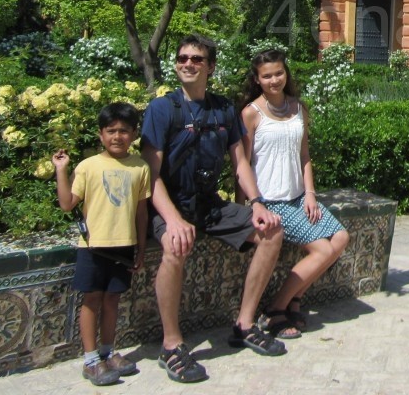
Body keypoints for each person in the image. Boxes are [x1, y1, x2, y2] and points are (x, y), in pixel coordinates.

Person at [140, 34, 286, 384]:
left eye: (196, 59)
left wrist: (257, 204)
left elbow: (240, 164)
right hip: (169, 205)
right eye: (182, 58)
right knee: (176, 246)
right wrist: (173, 220)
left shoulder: (223, 110)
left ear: (210, 67)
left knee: (272, 231)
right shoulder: (162, 109)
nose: (187, 63)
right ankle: (172, 344)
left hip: (209, 205)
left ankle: (245, 323)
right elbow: (150, 175)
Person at [240, 48, 350, 339]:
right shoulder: (251, 113)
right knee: (323, 249)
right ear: (258, 79)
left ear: (286, 73)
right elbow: (242, 164)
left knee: (341, 238)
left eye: (278, 73)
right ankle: (276, 308)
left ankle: (294, 297)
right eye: (267, 76)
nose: (274, 79)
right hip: (271, 202)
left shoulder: (297, 108)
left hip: (299, 197)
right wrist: (250, 206)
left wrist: (310, 194)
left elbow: (304, 155)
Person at [52, 101, 151, 387]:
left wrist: (141, 247)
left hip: (124, 245)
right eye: (111, 131)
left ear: (133, 134)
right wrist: (61, 170)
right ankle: (91, 359)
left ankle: (108, 352)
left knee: (113, 300)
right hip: (93, 247)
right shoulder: (88, 166)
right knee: (92, 300)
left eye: (124, 131)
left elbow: (141, 212)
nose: (117, 136)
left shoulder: (140, 167)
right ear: (101, 134)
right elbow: (67, 203)